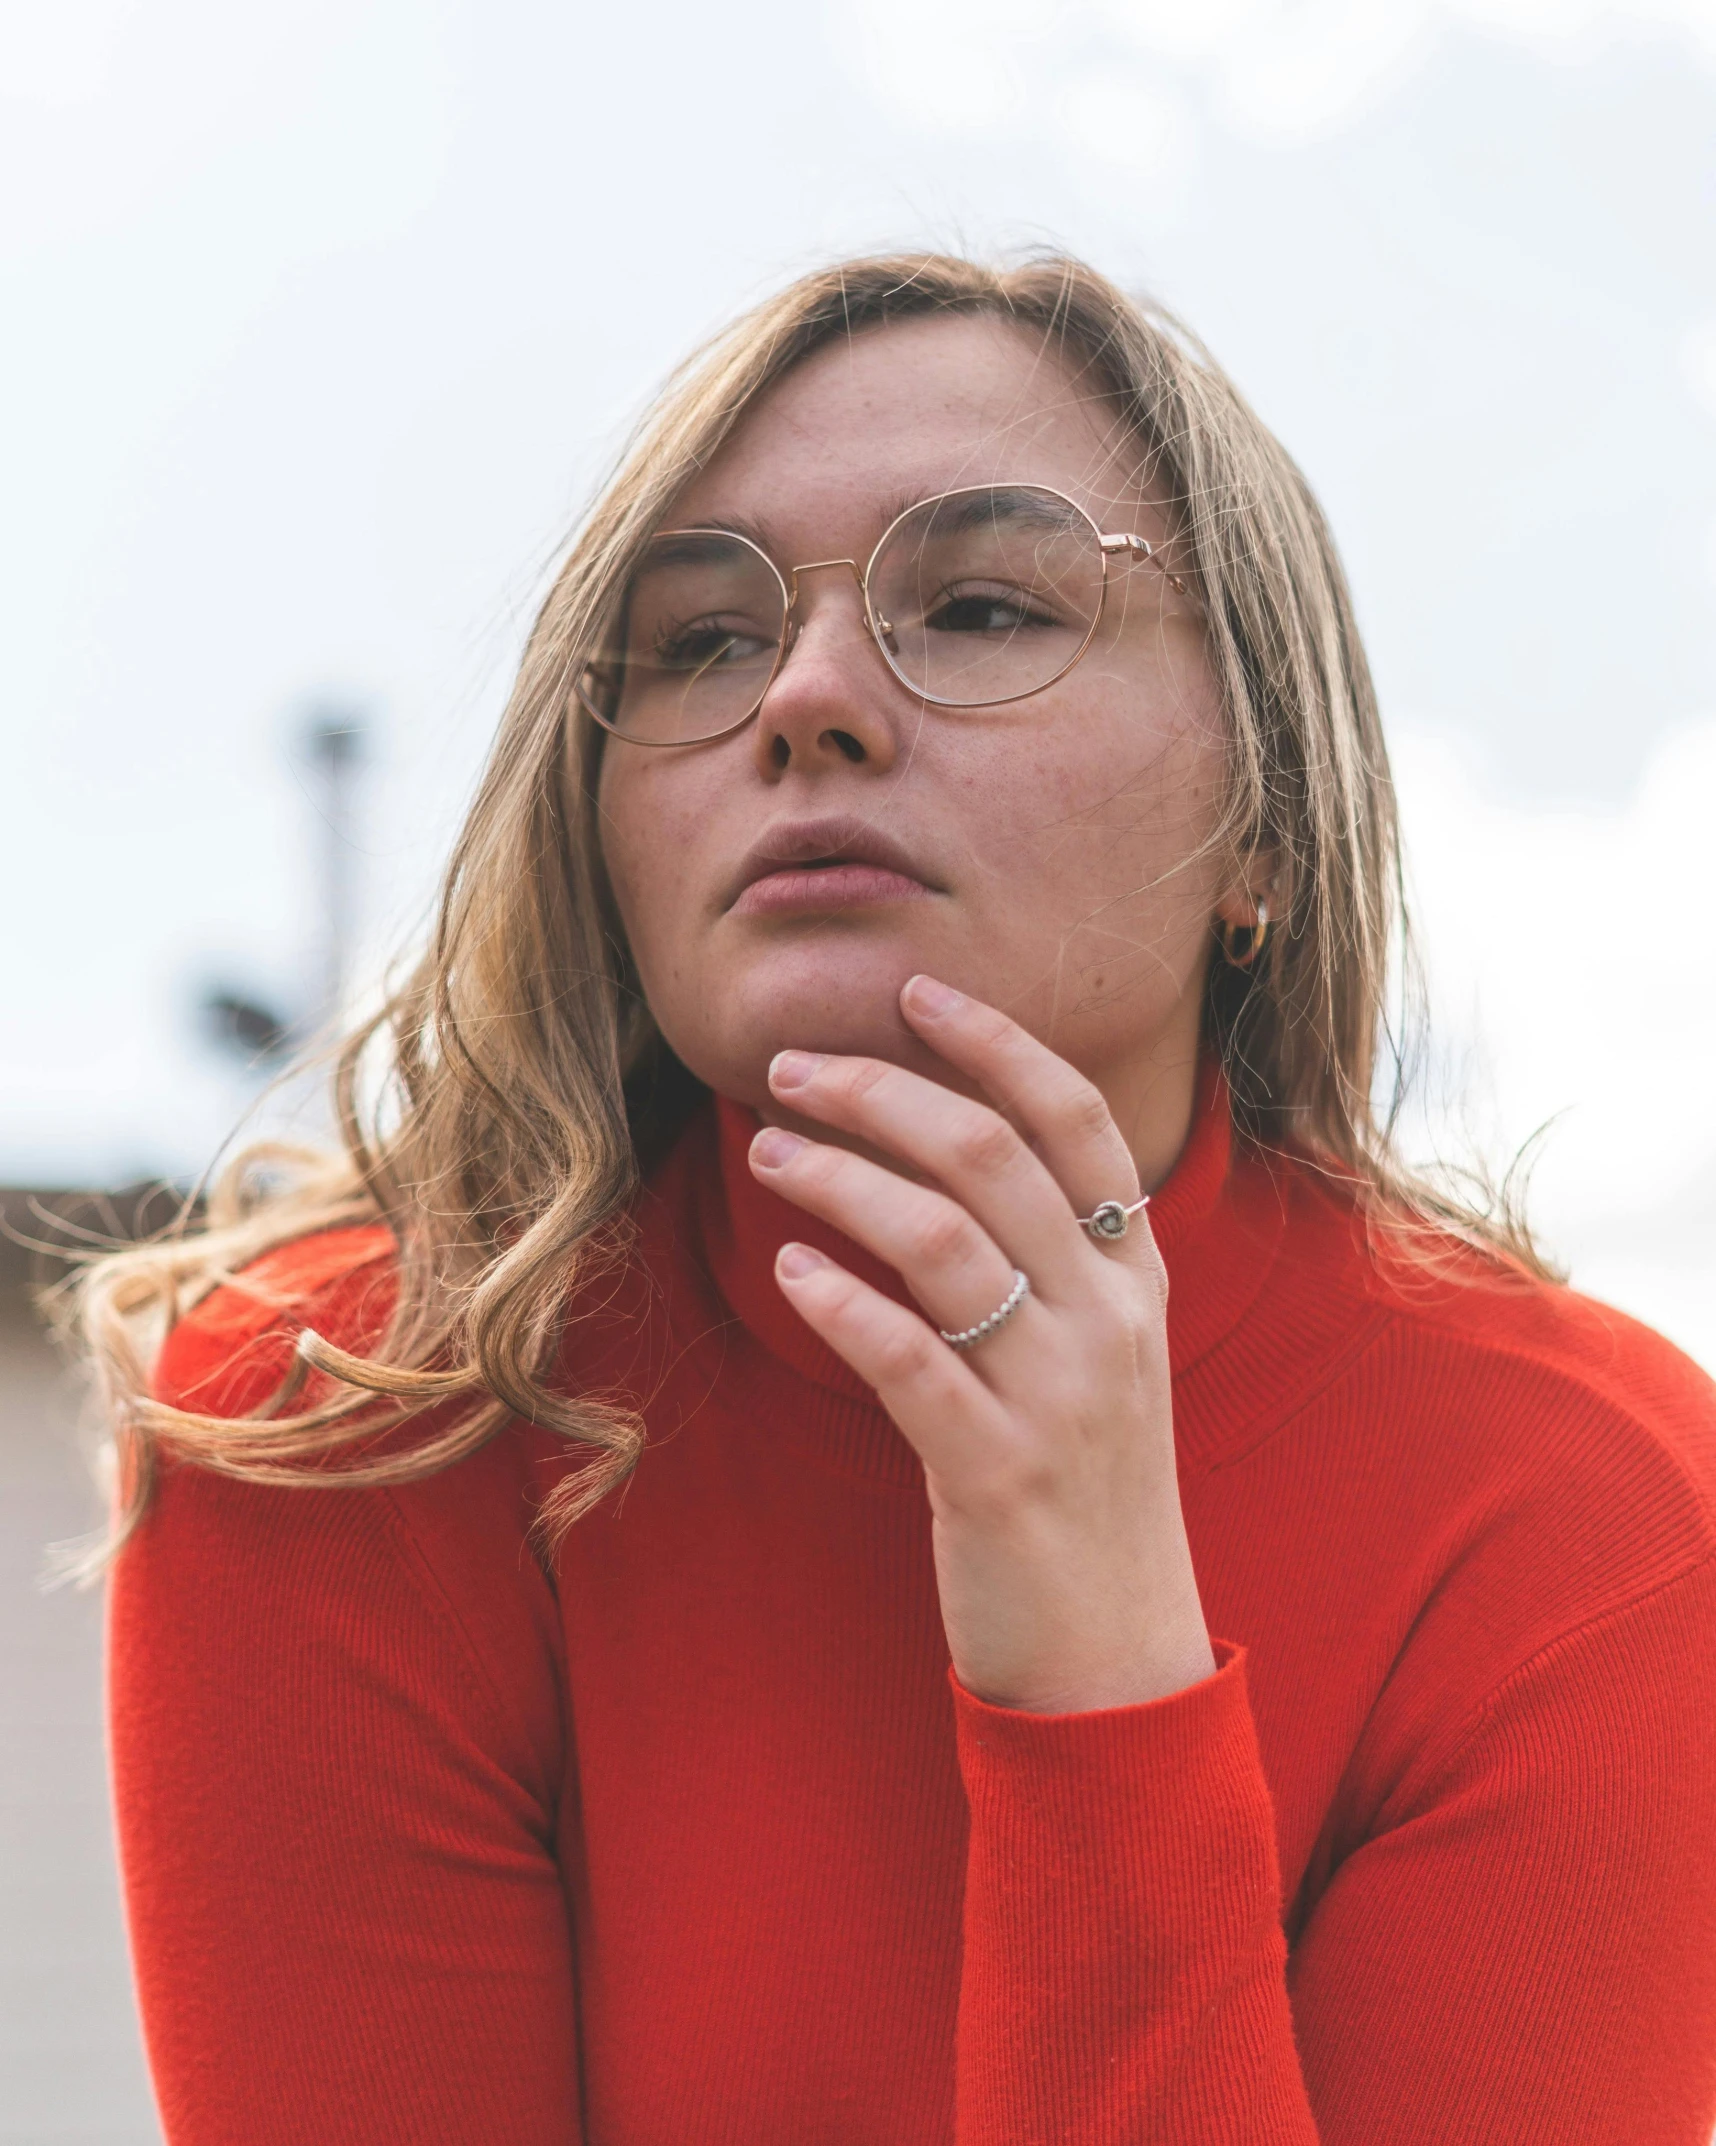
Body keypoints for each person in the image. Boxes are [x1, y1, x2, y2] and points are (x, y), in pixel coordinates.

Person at [84, 253, 1716, 2144]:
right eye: (697, 640)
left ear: (1266, 818)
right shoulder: (337, 1421)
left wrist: (1099, 1673)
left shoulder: (1592, 1525)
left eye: (987, 603)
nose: (806, 696)